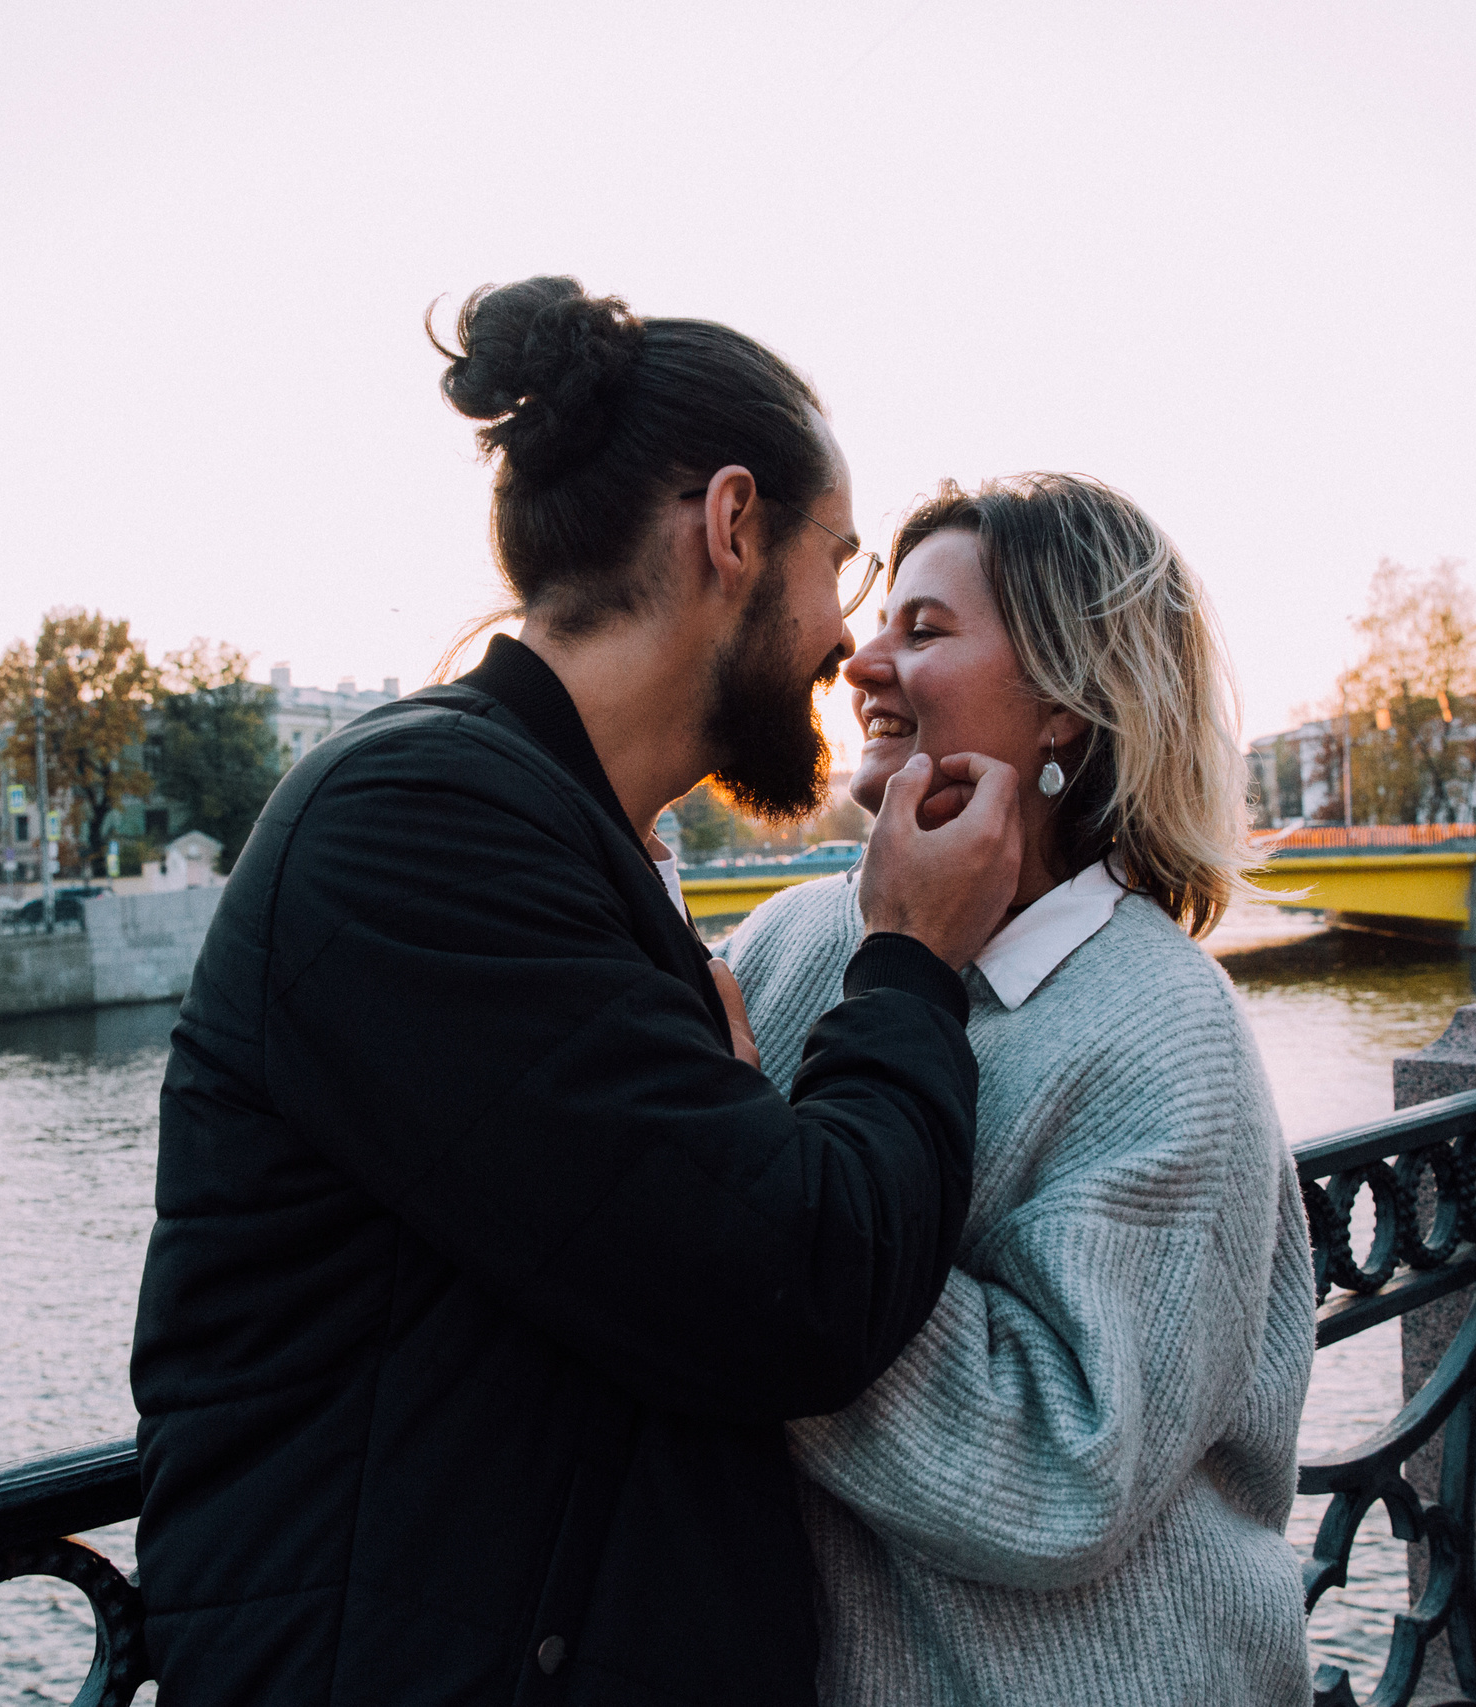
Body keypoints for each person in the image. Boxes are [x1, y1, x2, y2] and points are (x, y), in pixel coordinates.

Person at [130, 277, 1024, 1704]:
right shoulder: (413, 822)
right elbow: (801, 1285)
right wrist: (910, 956)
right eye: (841, 567)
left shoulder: (546, 828)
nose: (849, 650)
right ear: (733, 526)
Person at [722, 473, 1316, 1706]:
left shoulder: (1159, 1030)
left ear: (1066, 703)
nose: (860, 659)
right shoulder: (785, 947)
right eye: (881, 620)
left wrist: (765, 1227)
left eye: (923, 631)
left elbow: (1060, 1475)